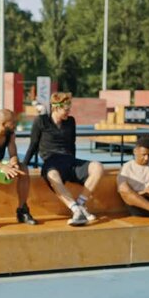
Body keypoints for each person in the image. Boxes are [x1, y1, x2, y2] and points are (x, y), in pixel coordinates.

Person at [22, 92, 104, 226]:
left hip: (70, 161)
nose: (68, 112)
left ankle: (81, 204)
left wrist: (76, 170)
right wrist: (23, 165)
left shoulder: (70, 121)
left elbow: (72, 145)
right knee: (52, 175)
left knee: (98, 167)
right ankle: (76, 210)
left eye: (69, 109)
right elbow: (33, 145)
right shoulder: (41, 121)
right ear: (55, 107)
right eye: (66, 109)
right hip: (51, 162)